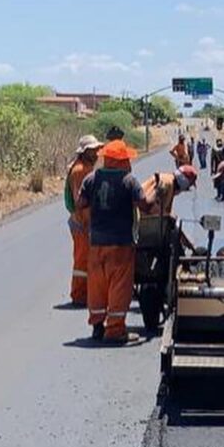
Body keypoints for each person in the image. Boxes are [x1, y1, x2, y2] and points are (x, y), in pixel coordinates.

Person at [76, 139, 156, 345]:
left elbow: (80, 204)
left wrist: (94, 218)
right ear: (120, 161)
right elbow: (145, 206)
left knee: (97, 284)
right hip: (121, 244)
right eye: (126, 159)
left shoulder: (91, 179)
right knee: (119, 285)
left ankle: (97, 326)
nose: (129, 163)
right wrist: (156, 193)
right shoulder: (129, 181)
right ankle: (115, 330)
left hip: (96, 243)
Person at [65, 135, 102, 307]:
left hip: (84, 222)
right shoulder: (80, 171)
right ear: (85, 152)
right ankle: (79, 295)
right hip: (81, 223)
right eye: (93, 150)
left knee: (87, 259)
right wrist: (89, 223)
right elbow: (81, 201)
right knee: (81, 260)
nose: (96, 153)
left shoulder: (86, 168)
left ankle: (85, 293)